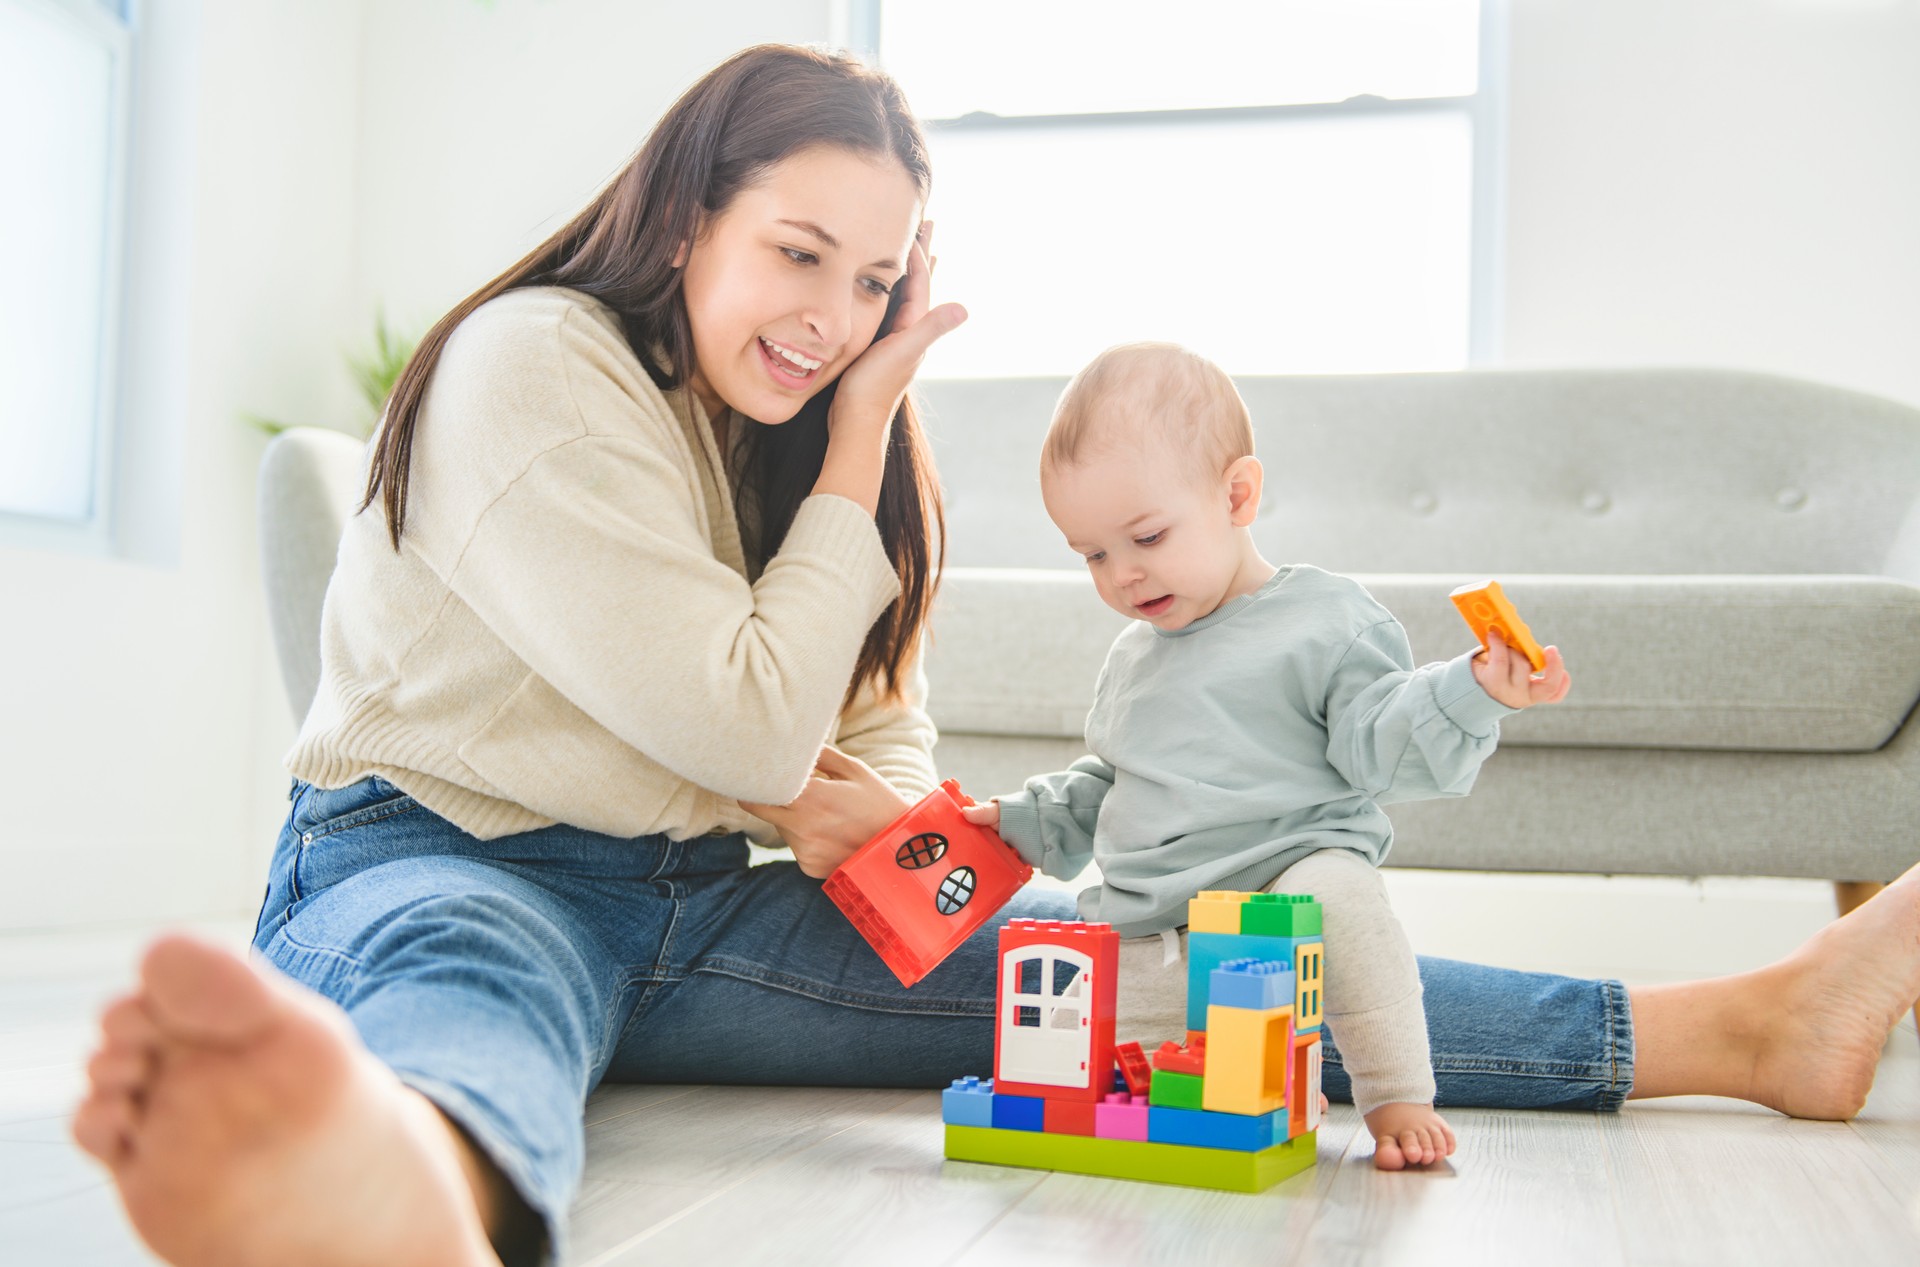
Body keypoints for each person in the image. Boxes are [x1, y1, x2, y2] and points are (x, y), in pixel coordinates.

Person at [68, 42, 1920, 1267]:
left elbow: (857, 718)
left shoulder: (820, 433)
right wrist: (864, 443)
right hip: (450, 853)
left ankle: (1749, 1025)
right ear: (690, 208)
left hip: (706, 900)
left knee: (1197, 974)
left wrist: (892, 819)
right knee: (478, 1002)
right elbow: (740, 711)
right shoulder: (536, 366)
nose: (831, 320)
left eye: (875, 285)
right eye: (799, 254)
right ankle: (405, 1185)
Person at [957, 342, 1572, 1169]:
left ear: (1238, 494)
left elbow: (1382, 742)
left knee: (1343, 900)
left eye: (1145, 536)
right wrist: (1025, 818)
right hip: (1154, 910)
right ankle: (1241, 1090)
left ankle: (1396, 1093)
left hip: (1287, 872)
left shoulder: (1326, 619)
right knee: (1103, 999)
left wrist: (1470, 691)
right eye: (1093, 554)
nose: (1123, 575)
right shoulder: (1136, 653)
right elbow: (1113, 782)